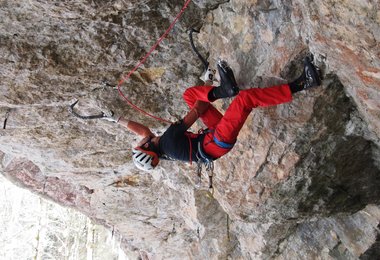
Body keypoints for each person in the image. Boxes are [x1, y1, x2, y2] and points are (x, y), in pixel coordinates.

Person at [106, 57, 321, 171]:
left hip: (212, 138)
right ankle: (303, 83)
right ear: (147, 146)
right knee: (245, 100)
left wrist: (116, 118)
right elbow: (199, 110)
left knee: (190, 95)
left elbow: (143, 130)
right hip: (218, 139)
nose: (141, 139)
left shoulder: (162, 149)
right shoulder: (169, 140)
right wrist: (208, 83)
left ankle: (223, 90)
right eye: (141, 143)